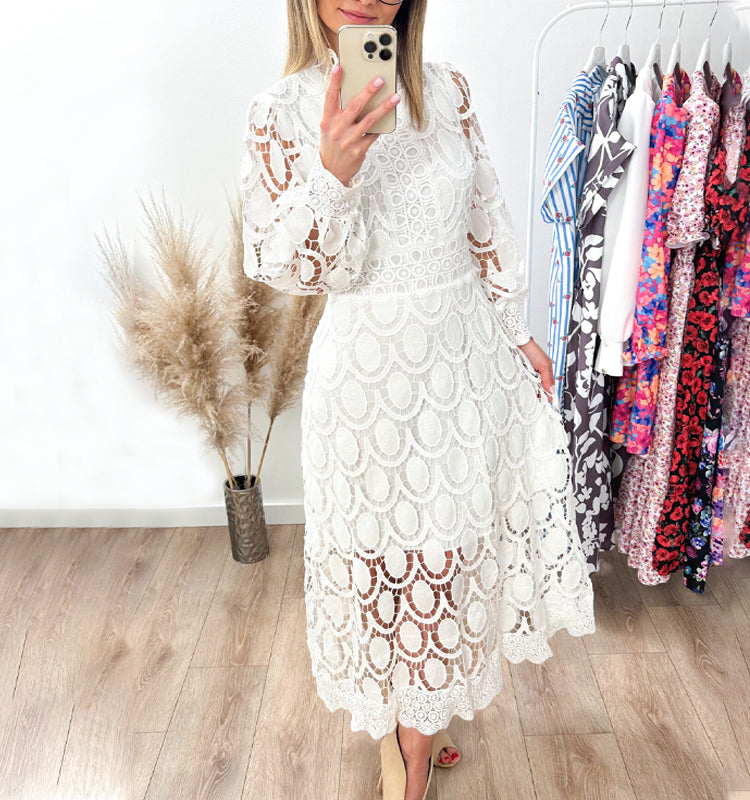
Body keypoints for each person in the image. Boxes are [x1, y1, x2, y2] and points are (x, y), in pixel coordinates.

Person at [239, 1, 596, 798]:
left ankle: (415, 743)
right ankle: (402, 726)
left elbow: (485, 217)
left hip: (461, 365)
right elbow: (281, 266)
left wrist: (517, 328)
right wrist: (332, 173)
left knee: (449, 558)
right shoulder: (278, 112)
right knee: (379, 570)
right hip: (366, 384)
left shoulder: (449, 91)